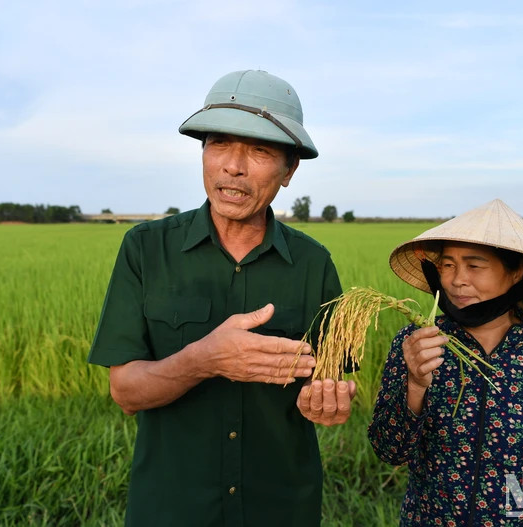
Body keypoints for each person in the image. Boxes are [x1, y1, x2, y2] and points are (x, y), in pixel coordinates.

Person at [88, 69, 357, 527]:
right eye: (220, 145)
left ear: (290, 170)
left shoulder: (315, 264)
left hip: (281, 509)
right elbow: (126, 391)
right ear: (203, 153)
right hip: (172, 509)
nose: (233, 166)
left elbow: (334, 384)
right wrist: (204, 359)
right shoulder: (145, 249)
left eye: (260, 150)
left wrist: (329, 401)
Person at [368, 199, 523, 526]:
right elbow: (389, 450)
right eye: (448, 265)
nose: (456, 280)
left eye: (474, 266)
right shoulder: (419, 343)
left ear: (516, 271)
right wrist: (415, 384)